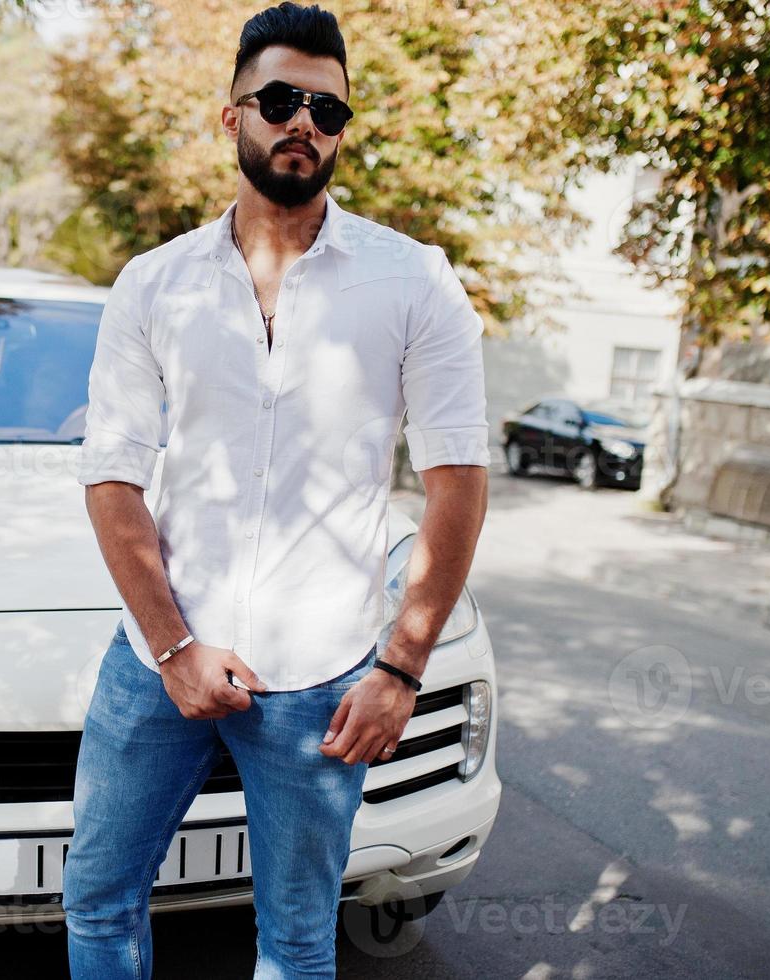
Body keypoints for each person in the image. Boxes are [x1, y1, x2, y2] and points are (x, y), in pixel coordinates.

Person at [63, 4, 490, 977]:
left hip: (326, 674)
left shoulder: (415, 281)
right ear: (233, 117)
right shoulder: (154, 284)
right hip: (159, 657)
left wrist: (402, 667)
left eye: (327, 110)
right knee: (96, 897)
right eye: (282, 100)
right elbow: (113, 475)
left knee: (298, 940)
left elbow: (457, 481)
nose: (304, 123)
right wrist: (172, 646)